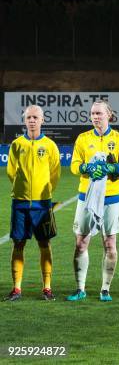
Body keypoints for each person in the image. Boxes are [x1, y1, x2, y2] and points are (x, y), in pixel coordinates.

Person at [67, 100, 119, 302]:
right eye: (93, 113)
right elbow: (74, 165)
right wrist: (87, 168)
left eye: (99, 113)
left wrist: (112, 168)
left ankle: (105, 289)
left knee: (109, 243)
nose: (95, 116)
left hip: (111, 198)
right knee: (81, 243)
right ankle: (80, 289)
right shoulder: (83, 138)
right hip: (86, 197)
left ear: (109, 115)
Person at [5, 105, 60, 301]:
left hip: (42, 203)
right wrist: (22, 188)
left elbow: (55, 173)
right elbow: (11, 171)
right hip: (19, 202)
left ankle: (47, 288)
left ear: (42, 120)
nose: (32, 120)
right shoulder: (17, 144)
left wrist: (43, 191)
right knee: (18, 243)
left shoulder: (50, 146)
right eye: (29, 117)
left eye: (35, 117)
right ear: (24, 120)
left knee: (44, 243)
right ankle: (16, 288)